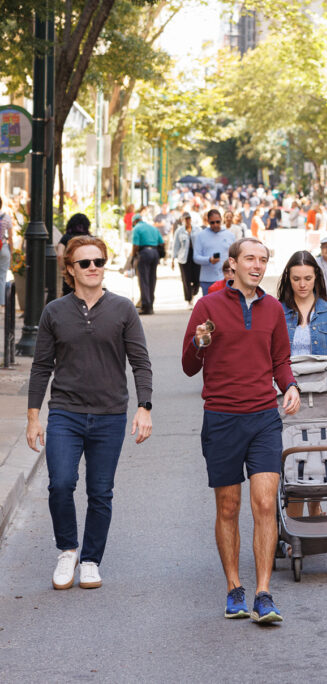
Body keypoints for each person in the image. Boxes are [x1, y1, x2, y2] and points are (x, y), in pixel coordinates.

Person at [182, 237, 300, 624]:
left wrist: (291, 386)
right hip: (221, 417)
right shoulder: (208, 306)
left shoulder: (273, 310)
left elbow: (281, 360)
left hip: (263, 416)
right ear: (232, 265)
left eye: (263, 259)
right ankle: (235, 588)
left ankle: (264, 593)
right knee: (228, 506)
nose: (258, 265)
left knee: (265, 503)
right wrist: (200, 343)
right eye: (250, 258)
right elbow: (188, 365)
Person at [26, 235, 153, 590]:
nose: (94, 267)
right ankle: (67, 549)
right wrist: (33, 416)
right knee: (61, 484)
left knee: (100, 492)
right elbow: (40, 368)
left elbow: (140, 363)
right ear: (70, 269)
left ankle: (91, 559)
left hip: (110, 414)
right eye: (85, 263)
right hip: (66, 412)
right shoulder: (54, 312)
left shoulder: (123, 309)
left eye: (99, 261)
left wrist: (144, 406)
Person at [277, 249, 327, 521]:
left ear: (316, 278)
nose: (303, 284)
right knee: (293, 446)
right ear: (289, 279)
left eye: (308, 278)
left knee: (322, 445)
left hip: (324, 390)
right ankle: (294, 514)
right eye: (296, 278)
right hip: (288, 390)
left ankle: (316, 504)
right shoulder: (277, 311)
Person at [194, 208, 237, 296]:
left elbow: (235, 257)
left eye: (217, 222)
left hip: (226, 280)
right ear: (208, 221)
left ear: (221, 220)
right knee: (209, 309)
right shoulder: (200, 236)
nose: (215, 225)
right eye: (212, 223)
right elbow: (196, 257)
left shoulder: (230, 236)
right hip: (207, 280)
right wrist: (209, 260)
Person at [130, 215, 163, 315]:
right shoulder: (153, 228)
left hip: (144, 253)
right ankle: (151, 304)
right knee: (152, 279)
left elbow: (135, 245)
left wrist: (133, 256)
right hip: (155, 253)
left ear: (135, 221)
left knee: (143, 280)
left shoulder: (137, 228)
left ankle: (146, 306)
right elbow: (162, 242)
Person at [56, 213, 91, 296]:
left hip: (70, 272)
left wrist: (63, 269)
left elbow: (60, 255)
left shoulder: (66, 237)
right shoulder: (90, 238)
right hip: (86, 272)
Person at [171, 212, 201, 307]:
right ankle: (189, 299)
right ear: (182, 220)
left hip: (195, 256)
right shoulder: (179, 231)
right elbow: (175, 245)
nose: (187, 220)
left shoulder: (197, 229)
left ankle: (194, 292)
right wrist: (173, 259)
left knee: (197, 278)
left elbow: (202, 242)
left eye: (189, 218)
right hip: (184, 257)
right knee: (186, 279)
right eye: (185, 219)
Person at [0, 197, 11, 307]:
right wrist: (11, 250)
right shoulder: (6, 217)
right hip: (3, 247)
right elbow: (11, 236)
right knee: (2, 276)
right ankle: (2, 302)